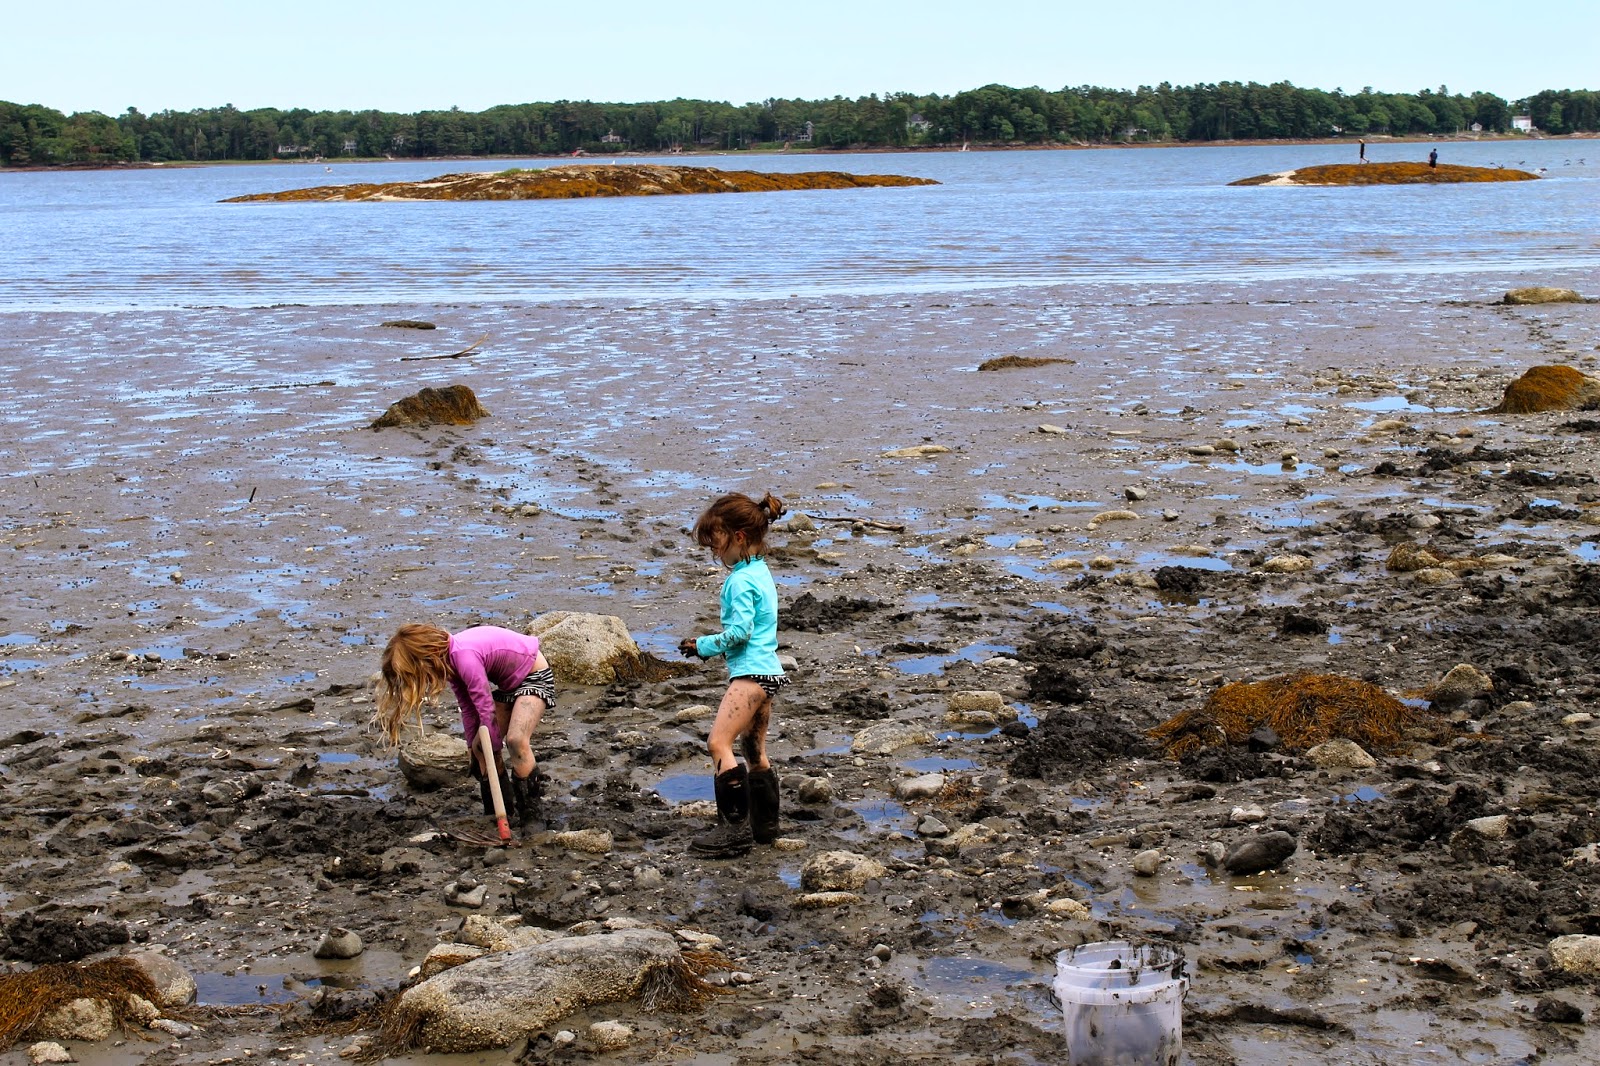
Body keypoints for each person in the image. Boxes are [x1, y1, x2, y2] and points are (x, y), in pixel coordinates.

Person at [678, 491, 789, 857]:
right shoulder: (761, 571)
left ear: (738, 537)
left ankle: (733, 830)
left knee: (718, 744)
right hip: (769, 672)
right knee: (753, 749)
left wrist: (703, 645)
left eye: (717, 544)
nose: (715, 554)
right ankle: (765, 826)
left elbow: (740, 632)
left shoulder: (740, 580)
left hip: (750, 676)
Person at [376, 623, 556, 827]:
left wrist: (493, 746)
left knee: (516, 740)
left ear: (426, 655)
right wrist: (473, 746)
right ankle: (499, 810)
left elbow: (485, 705)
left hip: (534, 675)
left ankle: (531, 815)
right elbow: (468, 708)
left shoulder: (464, 656)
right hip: (509, 686)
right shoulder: (451, 664)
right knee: (480, 747)